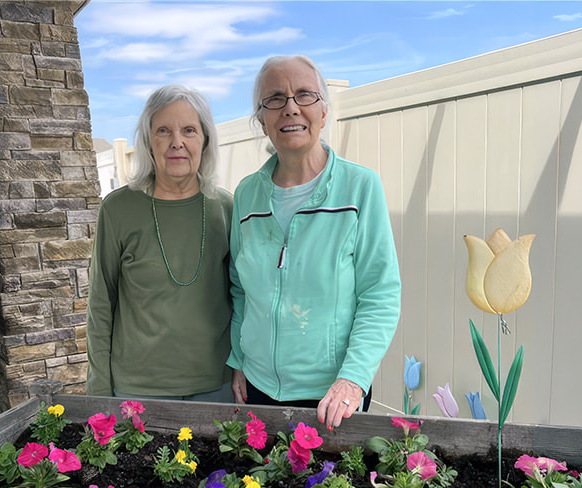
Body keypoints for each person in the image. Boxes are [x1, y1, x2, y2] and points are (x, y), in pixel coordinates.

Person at [228, 55, 401, 429]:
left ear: (323, 112)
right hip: (257, 388)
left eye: (304, 95)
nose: (290, 107)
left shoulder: (360, 189)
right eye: (275, 98)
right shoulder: (245, 196)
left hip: (332, 397)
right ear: (262, 119)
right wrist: (239, 360)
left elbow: (380, 294)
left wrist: (353, 378)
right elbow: (239, 288)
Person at [86, 85, 233, 402]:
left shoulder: (227, 208)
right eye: (163, 130)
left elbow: (244, 299)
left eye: (189, 130)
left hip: (216, 385)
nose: (176, 142)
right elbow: (100, 305)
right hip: (137, 390)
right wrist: (98, 391)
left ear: (204, 140)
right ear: (148, 142)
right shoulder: (117, 209)